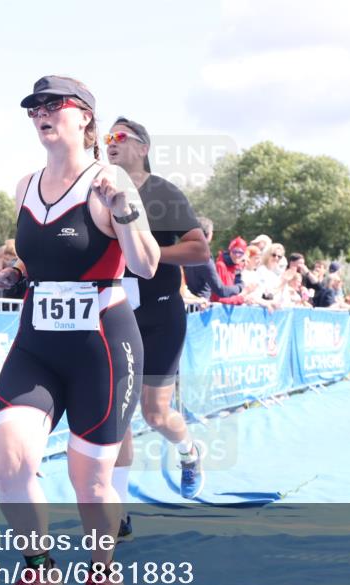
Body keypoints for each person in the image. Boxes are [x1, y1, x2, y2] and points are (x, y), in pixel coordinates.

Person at [0, 76, 159, 585]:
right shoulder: (24, 186)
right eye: (32, 107)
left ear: (84, 116)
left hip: (101, 345)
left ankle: (103, 571)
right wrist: (11, 272)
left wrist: (125, 212)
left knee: (90, 483)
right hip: (37, 341)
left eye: (51, 105)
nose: (39, 113)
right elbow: (32, 259)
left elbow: (147, 266)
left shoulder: (109, 182)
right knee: (11, 456)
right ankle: (38, 568)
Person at [105, 116, 211, 538]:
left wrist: (146, 254)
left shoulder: (162, 193)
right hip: (116, 316)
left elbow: (199, 249)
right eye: (107, 138)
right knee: (117, 416)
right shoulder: (98, 189)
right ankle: (118, 513)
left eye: (119, 137)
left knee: (156, 412)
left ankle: (188, 451)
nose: (110, 143)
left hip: (161, 314)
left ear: (142, 147)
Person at [183, 217, 243, 303]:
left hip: (190, 305)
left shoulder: (184, 254)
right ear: (209, 235)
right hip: (201, 308)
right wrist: (240, 287)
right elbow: (221, 290)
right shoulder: (204, 259)